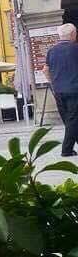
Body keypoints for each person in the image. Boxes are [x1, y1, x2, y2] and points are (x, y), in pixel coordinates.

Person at [45, 23, 78, 157]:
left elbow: (45, 70)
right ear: (72, 34)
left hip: (58, 91)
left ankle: (69, 148)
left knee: (69, 120)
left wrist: (53, 82)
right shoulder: (76, 49)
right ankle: (66, 150)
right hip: (74, 90)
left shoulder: (51, 51)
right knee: (72, 120)